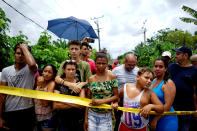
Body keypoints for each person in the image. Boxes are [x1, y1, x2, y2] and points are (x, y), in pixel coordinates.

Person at [0, 43, 38, 131]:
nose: (20, 56)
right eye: (18, 53)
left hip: (27, 110)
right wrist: (0, 117)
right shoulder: (5, 71)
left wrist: (24, 48)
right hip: (9, 110)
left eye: (23, 53)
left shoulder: (31, 69)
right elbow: (2, 95)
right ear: (14, 54)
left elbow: (32, 64)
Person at [84, 51, 119, 131]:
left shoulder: (112, 77)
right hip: (92, 115)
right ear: (95, 64)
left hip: (106, 116)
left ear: (107, 64)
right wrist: (86, 119)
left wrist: (102, 101)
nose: (101, 66)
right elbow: (87, 100)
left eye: (103, 63)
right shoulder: (91, 79)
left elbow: (116, 96)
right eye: (98, 63)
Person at [169, 46, 197, 131]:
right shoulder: (172, 67)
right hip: (171, 107)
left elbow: (195, 91)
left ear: (185, 56)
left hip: (187, 109)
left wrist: (195, 109)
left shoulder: (194, 70)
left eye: (178, 54)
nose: (175, 56)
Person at [53, 60, 85, 131]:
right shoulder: (59, 84)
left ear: (76, 70)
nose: (71, 71)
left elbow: (82, 104)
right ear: (64, 70)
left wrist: (62, 100)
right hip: (63, 120)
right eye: (68, 69)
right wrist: (76, 103)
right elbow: (55, 105)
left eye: (73, 69)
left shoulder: (79, 85)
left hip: (77, 119)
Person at [112, 53, 139, 131]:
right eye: (129, 65)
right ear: (124, 61)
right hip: (119, 101)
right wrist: (115, 101)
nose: (131, 67)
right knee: (119, 121)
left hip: (133, 102)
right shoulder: (116, 70)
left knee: (132, 122)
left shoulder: (138, 71)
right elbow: (111, 86)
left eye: (133, 65)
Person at [150, 58, 178, 131]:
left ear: (165, 69)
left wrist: (155, 119)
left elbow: (168, 105)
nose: (157, 69)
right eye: (156, 66)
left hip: (166, 119)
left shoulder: (168, 83)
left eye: (160, 67)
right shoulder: (153, 81)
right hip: (153, 117)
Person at [34, 64, 57, 131]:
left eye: (49, 72)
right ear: (42, 72)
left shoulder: (52, 83)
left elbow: (45, 103)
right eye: (45, 71)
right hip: (36, 115)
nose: (46, 74)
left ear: (53, 74)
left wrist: (40, 86)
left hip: (47, 117)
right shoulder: (39, 80)